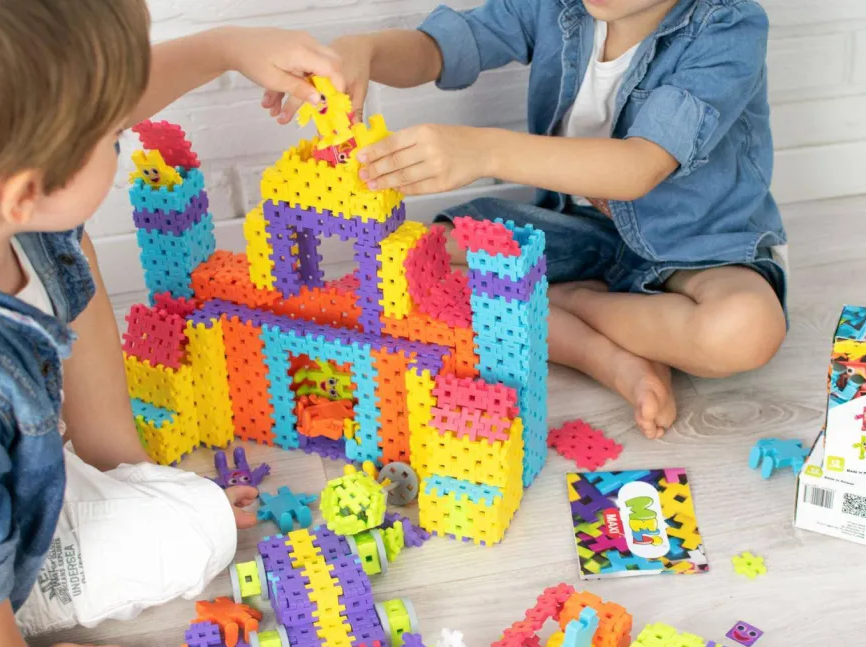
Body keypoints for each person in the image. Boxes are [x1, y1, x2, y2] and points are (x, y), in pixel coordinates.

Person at [0, 1, 344, 645]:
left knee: (68, 251)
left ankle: (113, 466)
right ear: (25, 191)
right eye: (113, 137)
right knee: (192, 539)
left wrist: (225, 48)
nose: (124, 133)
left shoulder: (26, 213)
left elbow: (89, 101)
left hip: (23, 481)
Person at [330, 0, 788, 439]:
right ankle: (606, 358)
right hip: (574, 227)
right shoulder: (556, 5)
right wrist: (366, 51)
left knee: (746, 329)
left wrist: (482, 151)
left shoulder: (728, 26)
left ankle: (568, 300)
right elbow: (442, 47)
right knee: (418, 263)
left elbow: (640, 166)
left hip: (695, 247)